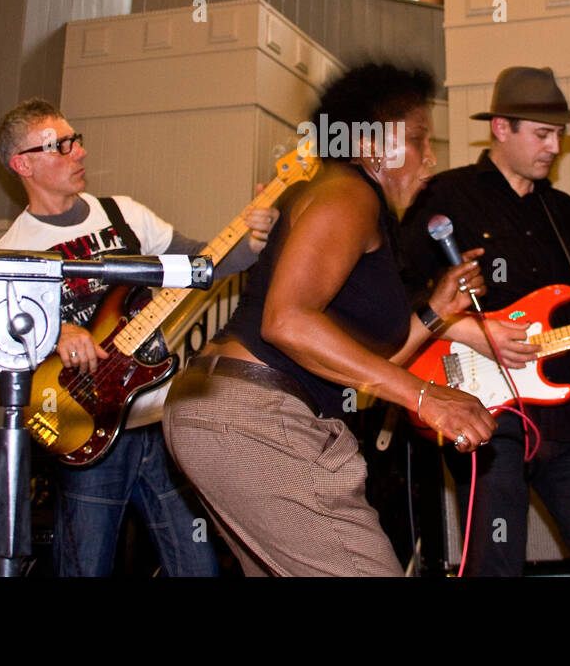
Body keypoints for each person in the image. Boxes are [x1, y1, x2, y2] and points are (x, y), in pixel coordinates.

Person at [162, 64, 513, 576]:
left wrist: (436, 309)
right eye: (418, 140)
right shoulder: (349, 192)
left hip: (227, 413)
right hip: (254, 416)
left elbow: (368, 364)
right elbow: (286, 322)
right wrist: (424, 395)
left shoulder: (360, 211)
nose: (432, 159)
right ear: (372, 147)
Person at [0, 98, 278, 576]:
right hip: (86, 425)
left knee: (197, 564)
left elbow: (199, 265)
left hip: (156, 417)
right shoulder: (12, 253)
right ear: (23, 164)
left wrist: (253, 242)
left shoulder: (123, 214)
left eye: (75, 139)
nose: (78, 152)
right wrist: (52, 336)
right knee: (87, 567)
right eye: (59, 146)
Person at [399, 66, 570, 576]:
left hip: (567, 415)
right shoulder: (442, 197)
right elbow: (397, 294)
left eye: (560, 134)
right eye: (542, 133)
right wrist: (474, 330)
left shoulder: (565, 213)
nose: (554, 146)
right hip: (483, 411)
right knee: (494, 566)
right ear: (501, 127)